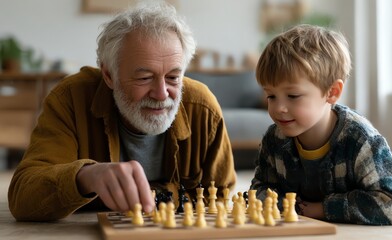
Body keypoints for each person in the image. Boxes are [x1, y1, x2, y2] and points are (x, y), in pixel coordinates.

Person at [8, 1, 236, 221]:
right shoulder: (69, 99)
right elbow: (23, 197)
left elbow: (221, 200)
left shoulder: (203, 108)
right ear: (109, 75)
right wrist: (86, 176)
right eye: (144, 78)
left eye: (173, 78)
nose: (161, 94)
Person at [250, 24, 392, 225]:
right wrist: (288, 206)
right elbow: (259, 189)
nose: (279, 108)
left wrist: (324, 209)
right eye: (271, 96)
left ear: (332, 93)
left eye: (293, 96)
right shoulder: (274, 139)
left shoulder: (361, 139)